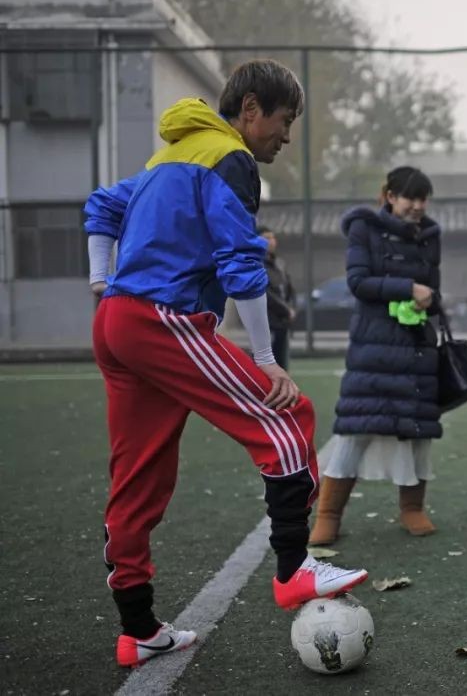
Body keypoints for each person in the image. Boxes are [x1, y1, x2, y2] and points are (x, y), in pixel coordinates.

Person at [83, 60, 367, 668]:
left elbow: (101, 207)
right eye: (285, 122)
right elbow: (241, 263)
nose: (285, 137)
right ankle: (294, 570)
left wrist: (101, 281)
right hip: (164, 319)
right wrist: (266, 360)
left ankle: (138, 631)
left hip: (118, 323)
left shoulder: (169, 159)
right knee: (289, 419)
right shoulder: (229, 157)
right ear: (251, 110)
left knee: (139, 481)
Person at [309, 166, 442, 544]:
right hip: (374, 345)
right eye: (409, 197)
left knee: (416, 432)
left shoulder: (430, 236)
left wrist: (429, 299)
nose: (417, 205)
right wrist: (408, 288)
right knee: (356, 428)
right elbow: (358, 282)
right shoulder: (363, 228)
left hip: (417, 347)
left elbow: (435, 291)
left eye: (422, 198)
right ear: (389, 195)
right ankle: (328, 514)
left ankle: (412, 509)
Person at [256, 225, 296, 369]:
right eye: (266, 238)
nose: (271, 241)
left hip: (282, 322)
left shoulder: (279, 263)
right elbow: (265, 293)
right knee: (269, 363)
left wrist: (291, 308)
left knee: (283, 362)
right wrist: (285, 310)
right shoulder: (256, 264)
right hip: (267, 322)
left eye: (272, 237)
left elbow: (289, 289)